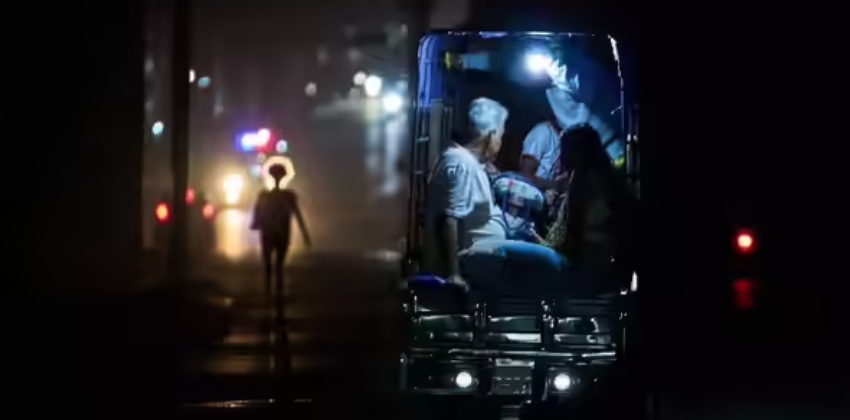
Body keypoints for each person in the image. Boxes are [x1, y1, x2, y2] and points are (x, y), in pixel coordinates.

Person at [422, 97, 509, 289]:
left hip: (485, 252)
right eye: (501, 136)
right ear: (491, 134)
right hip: (474, 256)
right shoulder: (462, 164)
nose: (500, 143)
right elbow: (448, 219)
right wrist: (454, 275)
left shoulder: (466, 161)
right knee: (550, 261)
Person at [250, 164, 311, 292]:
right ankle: (276, 289)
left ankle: (269, 289)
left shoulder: (266, 195)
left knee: (270, 262)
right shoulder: (288, 196)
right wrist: (305, 233)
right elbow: (297, 214)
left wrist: (256, 223)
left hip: (270, 232)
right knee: (278, 263)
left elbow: (257, 213)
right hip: (281, 232)